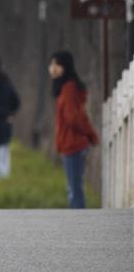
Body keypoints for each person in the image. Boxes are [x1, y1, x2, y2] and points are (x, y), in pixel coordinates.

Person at [49, 51, 99, 208]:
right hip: (72, 144)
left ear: (65, 66)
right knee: (74, 186)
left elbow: (73, 117)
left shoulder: (68, 88)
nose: (52, 68)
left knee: (74, 189)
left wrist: (90, 135)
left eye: (57, 64)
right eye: (51, 64)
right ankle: (77, 216)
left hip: (73, 144)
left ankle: (78, 219)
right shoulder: (66, 87)